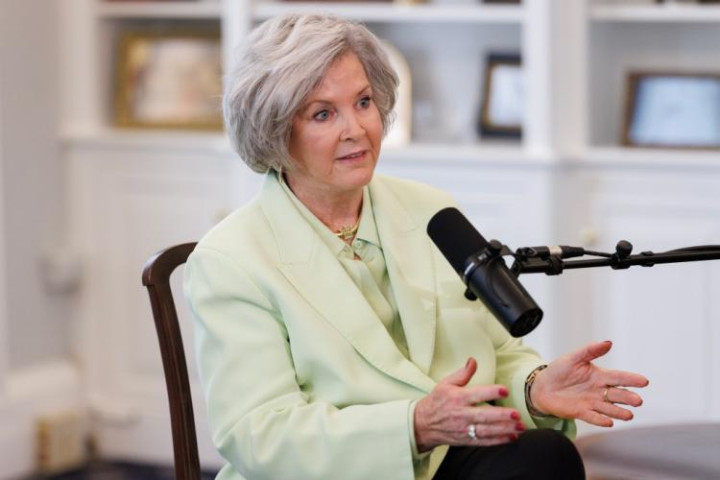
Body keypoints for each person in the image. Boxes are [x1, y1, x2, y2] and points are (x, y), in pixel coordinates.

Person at [184, 13, 649, 480]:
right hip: (338, 471)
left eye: (363, 102)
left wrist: (534, 389)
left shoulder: (432, 213)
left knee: (545, 454)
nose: (356, 129)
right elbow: (259, 435)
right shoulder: (231, 259)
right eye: (323, 114)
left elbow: (499, 352)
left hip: (446, 457)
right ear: (274, 130)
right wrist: (414, 426)